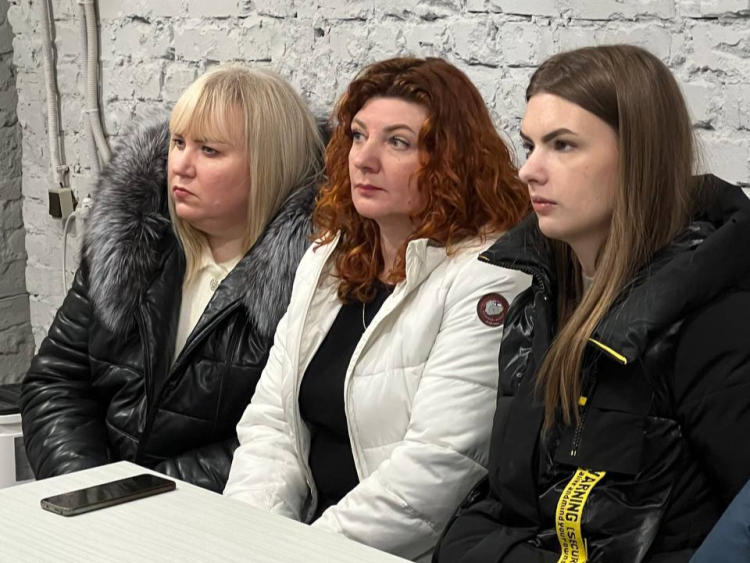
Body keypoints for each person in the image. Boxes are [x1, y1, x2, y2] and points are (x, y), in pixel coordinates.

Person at [434, 44, 750, 563]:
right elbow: (509, 503)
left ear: (639, 158)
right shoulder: (537, 304)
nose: (528, 171)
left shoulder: (715, 324)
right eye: (530, 145)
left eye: (562, 145)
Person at [223, 56, 531, 560]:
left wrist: (302, 552)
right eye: (358, 135)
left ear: (451, 161)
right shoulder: (328, 257)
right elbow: (271, 425)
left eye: (398, 142)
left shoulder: (488, 275)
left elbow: (437, 469)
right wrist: (253, 538)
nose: (364, 159)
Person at [20, 65, 325, 492]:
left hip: (214, 517)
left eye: (209, 150)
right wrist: (88, 488)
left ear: (268, 165)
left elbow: (288, 436)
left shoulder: (311, 280)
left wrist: (143, 495)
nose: (180, 165)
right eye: (178, 142)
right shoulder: (130, 242)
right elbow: (57, 381)